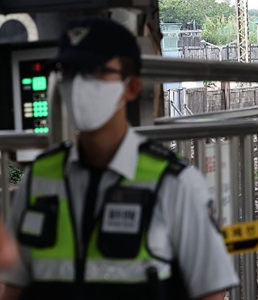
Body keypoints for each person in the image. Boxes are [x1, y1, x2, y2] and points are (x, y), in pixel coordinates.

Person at [0, 17, 239, 300]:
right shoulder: (39, 178)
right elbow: (14, 286)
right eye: (70, 72)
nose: (78, 85)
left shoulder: (174, 184)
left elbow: (211, 290)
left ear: (131, 87)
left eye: (95, 71)